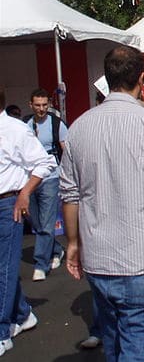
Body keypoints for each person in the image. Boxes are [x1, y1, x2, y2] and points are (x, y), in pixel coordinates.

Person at [59, 45, 144, 362]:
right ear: (142, 79)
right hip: (141, 256)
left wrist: (73, 242)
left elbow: (70, 192)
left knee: (116, 342)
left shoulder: (79, 127)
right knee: (138, 346)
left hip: (100, 257)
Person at [0, 87, 57, 357]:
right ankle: (22, 314)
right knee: (3, 267)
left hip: (6, 203)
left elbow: (45, 163)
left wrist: (24, 193)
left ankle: (2, 331)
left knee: (5, 267)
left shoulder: (14, 129)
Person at [24, 88, 67, 281]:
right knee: (35, 221)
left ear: (48, 105)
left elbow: (66, 152)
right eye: (38, 105)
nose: (41, 109)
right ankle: (57, 250)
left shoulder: (57, 124)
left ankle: (41, 264)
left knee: (47, 222)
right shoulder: (25, 125)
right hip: (30, 179)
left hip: (51, 178)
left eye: (44, 105)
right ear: (31, 105)